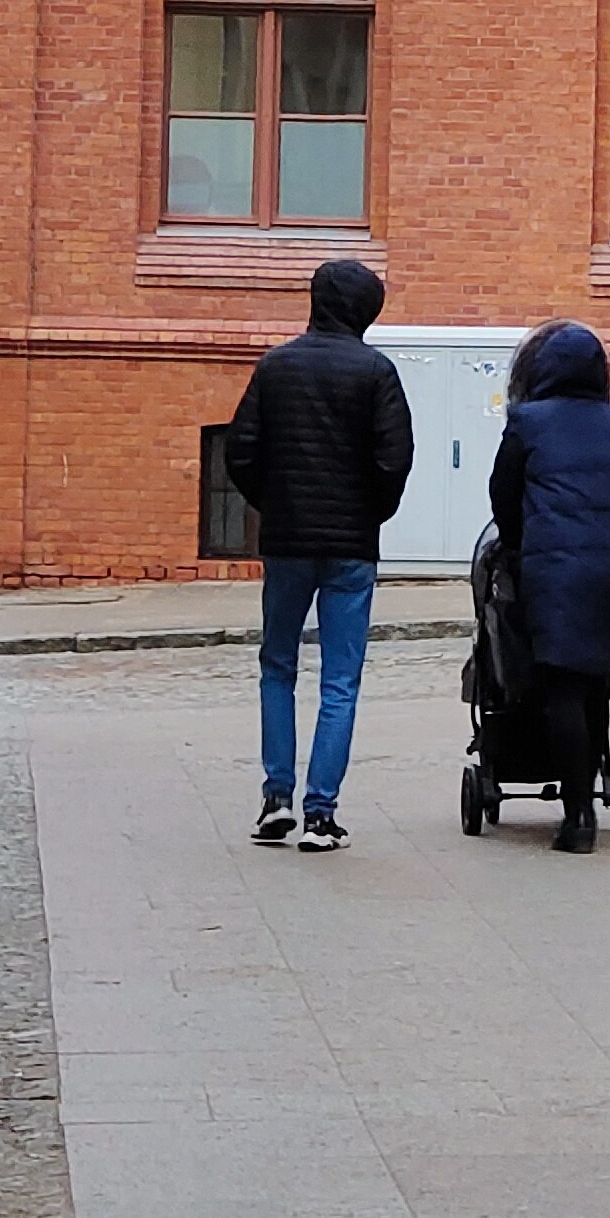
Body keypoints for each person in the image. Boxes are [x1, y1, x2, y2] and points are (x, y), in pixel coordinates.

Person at [224, 258, 414, 849]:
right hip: (351, 547)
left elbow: (240, 450)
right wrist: (369, 514)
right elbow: (395, 460)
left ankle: (275, 797)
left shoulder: (276, 366)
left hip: (287, 542)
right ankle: (321, 814)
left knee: (278, 665)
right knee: (340, 679)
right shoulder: (376, 372)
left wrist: (275, 503)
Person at [489, 320, 610, 853]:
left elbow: (504, 498)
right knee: (596, 680)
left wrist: (519, 547)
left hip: (554, 566)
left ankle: (578, 816)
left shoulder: (528, 422)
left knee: (561, 684)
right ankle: (592, 787)